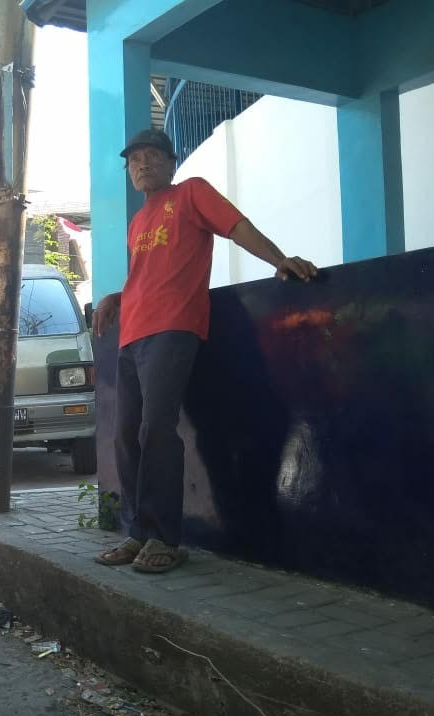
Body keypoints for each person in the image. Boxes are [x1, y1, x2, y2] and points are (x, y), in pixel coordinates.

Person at [92, 128, 317, 574]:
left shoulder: (191, 194)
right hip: (132, 335)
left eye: (152, 155)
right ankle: (137, 533)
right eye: (134, 159)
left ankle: (165, 539)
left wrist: (279, 259)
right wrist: (116, 297)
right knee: (125, 433)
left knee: (156, 428)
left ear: (171, 162)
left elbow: (238, 227)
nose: (142, 164)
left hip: (173, 328)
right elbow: (146, 275)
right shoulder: (138, 223)